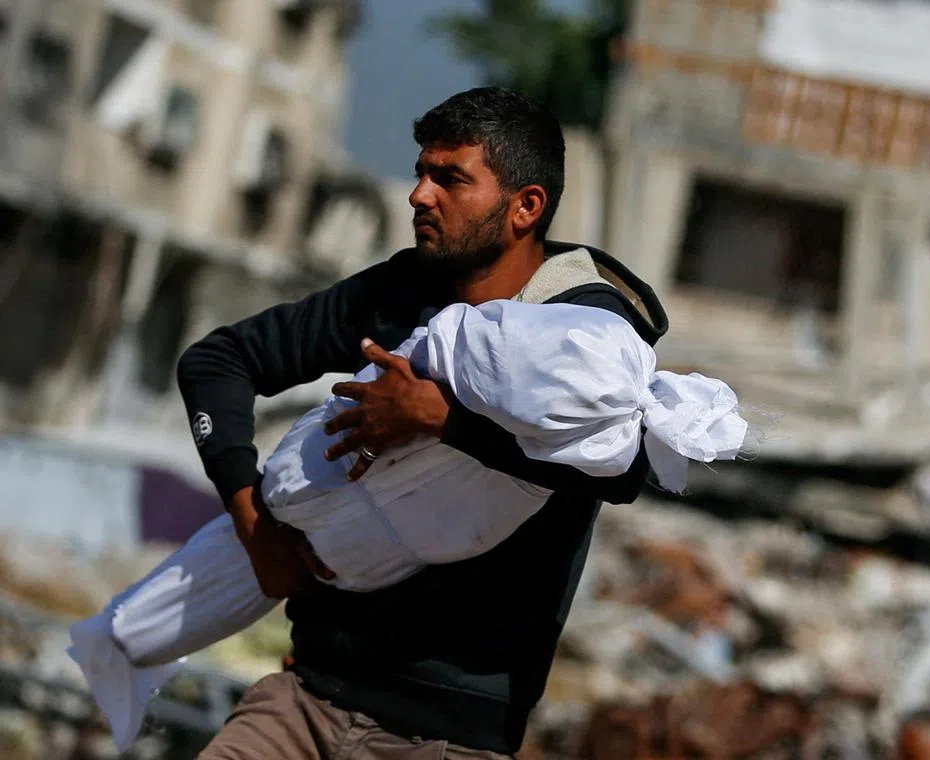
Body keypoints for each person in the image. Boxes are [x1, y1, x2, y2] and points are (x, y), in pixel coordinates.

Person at [176, 87, 670, 758]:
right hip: (307, 700)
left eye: (449, 178)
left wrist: (443, 420)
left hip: (447, 735)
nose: (418, 195)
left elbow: (624, 468)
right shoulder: (403, 290)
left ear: (526, 206)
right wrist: (251, 519)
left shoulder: (585, 327)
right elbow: (219, 361)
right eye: (420, 172)